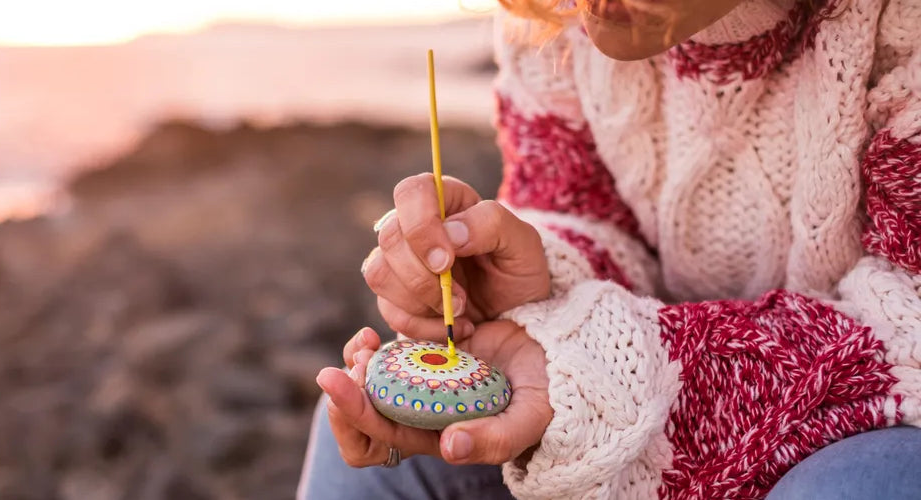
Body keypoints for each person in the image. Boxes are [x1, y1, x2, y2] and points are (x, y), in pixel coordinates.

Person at [299, 0, 921, 498]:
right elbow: (584, 212)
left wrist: (602, 365)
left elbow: (910, 318)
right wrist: (532, 280)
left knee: (866, 483)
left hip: (867, 422)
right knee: (383, 440)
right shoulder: (551, 17)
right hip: (667, 388)